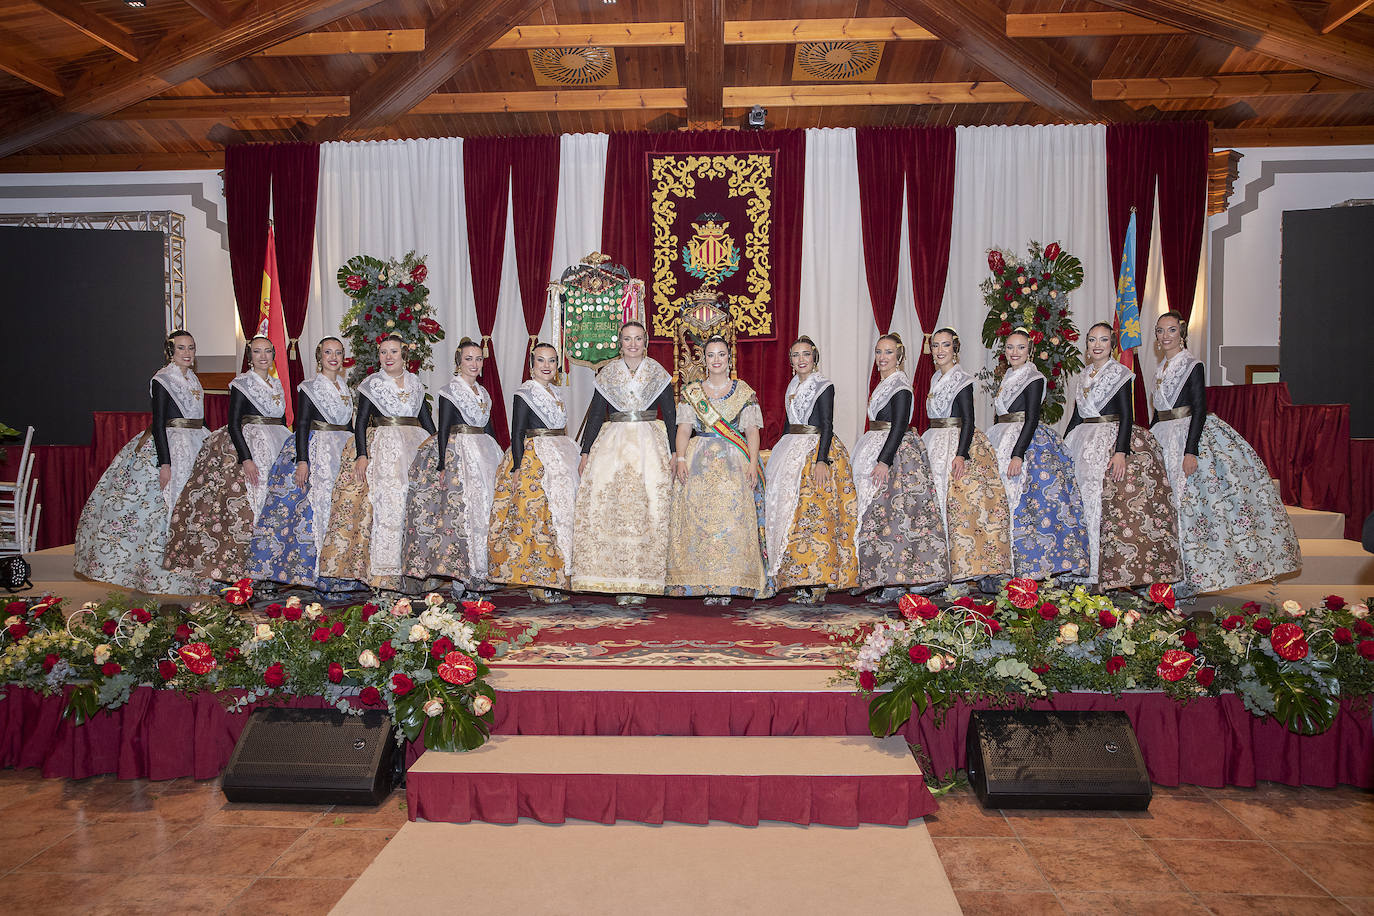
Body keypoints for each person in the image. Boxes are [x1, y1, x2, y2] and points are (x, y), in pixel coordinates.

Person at [1150, 310, 1300, 594]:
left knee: (1189, 508)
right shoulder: (1160, 371)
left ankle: (1189, 582)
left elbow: (1199, 409)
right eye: (1160, 331)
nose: (1165, 335)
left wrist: (1190, 451)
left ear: (1181, 334)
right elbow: (1158, 414)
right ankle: (1167, 576)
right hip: (1163, 437)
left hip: (1186, 437)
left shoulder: (1192, 365)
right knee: (1165, 509)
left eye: (1171, 330)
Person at [75, 330, 212, 595]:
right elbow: (159, 423)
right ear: (170, 351)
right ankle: (159, 575)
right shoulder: (163, 379)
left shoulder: (194, 379)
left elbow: (200, 418)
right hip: (171, 445)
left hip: (196, 442)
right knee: (160, 509)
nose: (187, 353)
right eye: (181, 348)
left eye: (191, 348)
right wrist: (165, 463)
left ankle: (196, 573)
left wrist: (212, 443)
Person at [1064, 322, 1182, 590]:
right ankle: (1081, 567)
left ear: (1112, 345)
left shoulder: (1120, 373)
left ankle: (1101, 571)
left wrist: (1121, 451)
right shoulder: (1083, 376)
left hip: (1108, 439)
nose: (1097, 345)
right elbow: (1076, 415)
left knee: (1102, 505)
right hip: (1082, 439)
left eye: (1103, 340)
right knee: (1081, 503)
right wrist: (1063, 446)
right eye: (1092, 339)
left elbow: (1127, 416)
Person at [163, 335, 291, 582]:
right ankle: (247, 569)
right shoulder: (241, 383)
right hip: (252, 446)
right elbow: (234, 424)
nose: (263, 356)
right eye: (257, 352)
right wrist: (246, 459)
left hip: (277, 442)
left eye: (267, 351)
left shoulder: (277, 385)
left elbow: (283, 420)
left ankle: (274, 566)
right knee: (248, 507)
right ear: (249, 356)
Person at [570, 321, 678, 604]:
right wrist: (585, 453)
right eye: (627, 339)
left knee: (649, 508)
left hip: (649, 445)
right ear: (620, 343)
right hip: (614, 444)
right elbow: (595, 415)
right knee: (613, 507)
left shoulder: (657, 373)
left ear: (646, 342)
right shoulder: (608, 374)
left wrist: (676, 452)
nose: (633, 344)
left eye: (638, 339)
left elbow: (670, 414)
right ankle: (618, 580)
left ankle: (643, 582)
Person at [317, 334, 435, 590]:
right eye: (383, 352)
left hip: (415, 444)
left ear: (404, 354)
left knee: (414, 505)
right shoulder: (372, 384)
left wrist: (437, 446)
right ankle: (385, 575)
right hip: (385, 446)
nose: (388, 357)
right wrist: (362, 454)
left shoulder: (415, 383)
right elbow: (360, 423)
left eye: (393, 351)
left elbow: (425, 419)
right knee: (388, 504)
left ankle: (415, 574)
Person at [666, 335, 771, 603]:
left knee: (731, 521)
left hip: (733, 463)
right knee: (698, 521)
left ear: (729, 358)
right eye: (711, 355)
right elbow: (684, 430)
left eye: (721, 354)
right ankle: (702, 582)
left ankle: (731, 583)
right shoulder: (692, 392)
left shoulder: (744, 391)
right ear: (704, 359)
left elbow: (751, 432)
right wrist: (679, 459)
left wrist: (751, 462)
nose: (716, 360)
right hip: (698, 461)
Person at [246, 337, 355, 590]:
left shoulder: (344, 387)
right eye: (328, 352)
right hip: (318, 450)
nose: (333, 357)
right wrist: (302, 461)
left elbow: (349, 424)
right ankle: (312, 573)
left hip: (342, 448)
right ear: (319, 357)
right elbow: (303, 423)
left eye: (338, 353)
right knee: (313, 509)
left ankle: (339, 572)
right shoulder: (309, 387)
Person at [851, 333, 949, 600]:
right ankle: (884, 579)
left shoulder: (901, 386)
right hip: (877, 445)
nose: (882, 358)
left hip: (896, 457)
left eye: (889, 352)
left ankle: (898, 580)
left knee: (895, 518)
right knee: (880, 518)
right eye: (879, 352)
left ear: (900, 356)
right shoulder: (885, 383)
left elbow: (899, 424)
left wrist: (884, 461)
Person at [402, 338, 503, 595]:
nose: (474, 363)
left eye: (478, 359)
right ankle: (462, 577)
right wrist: (441, 463)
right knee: (462, 516)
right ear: (459, 362)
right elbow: (444, 426)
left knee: (486, 510)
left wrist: (500, 455)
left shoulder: (484, 393)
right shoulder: (449, 391)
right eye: (469, 359)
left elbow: (488, 427)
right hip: (460, 453)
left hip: (484, 451)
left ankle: (482, 573)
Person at [987, 328, 1089, 580]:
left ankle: (1029, 565)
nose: (1014, 352)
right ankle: (1000, 564)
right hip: (1000, 435)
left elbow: (1032, 418)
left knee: (1029, 502)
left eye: (1020, 347)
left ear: (1030, 350)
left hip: (1024, 442)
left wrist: (1017, 454)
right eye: (1010, 347)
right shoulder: (1008, 376)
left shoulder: (1034, 378)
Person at [762, 336, 858, 604]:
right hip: (792, 448)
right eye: (795, 355)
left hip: (816, 449)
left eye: (806, 354)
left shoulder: (823, 385)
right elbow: (788, 423)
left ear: (814, 357)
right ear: (790, 360)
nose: (801, 359)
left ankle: (818, 579)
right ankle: (798, 579)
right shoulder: (792, 384)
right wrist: (778, 452)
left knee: (815, 514)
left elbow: (827, 424)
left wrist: (821, 460)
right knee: (791, 516)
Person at [488, 342, 582, 603]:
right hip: (534, 456)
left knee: (561, 514)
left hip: (560, 452)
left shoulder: (556, 393)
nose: (546, 366)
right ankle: (538, 579)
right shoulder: (524, 393)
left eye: (551, 361)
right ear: (531, 367)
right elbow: (517, 431)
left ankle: (558, 576)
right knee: (536, 515)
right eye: (541, 361)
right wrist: (518, 467)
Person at [921, 328, 1012, 583]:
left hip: (955, 441)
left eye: (945, 346)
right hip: (934, 438)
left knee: (959, 505)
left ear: (955, 350)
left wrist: (961, 455)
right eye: (936, 346)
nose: (939, 351)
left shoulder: (962, 379)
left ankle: (962, 568)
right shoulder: (935, 379)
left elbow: (969, 420)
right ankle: (937, 568)